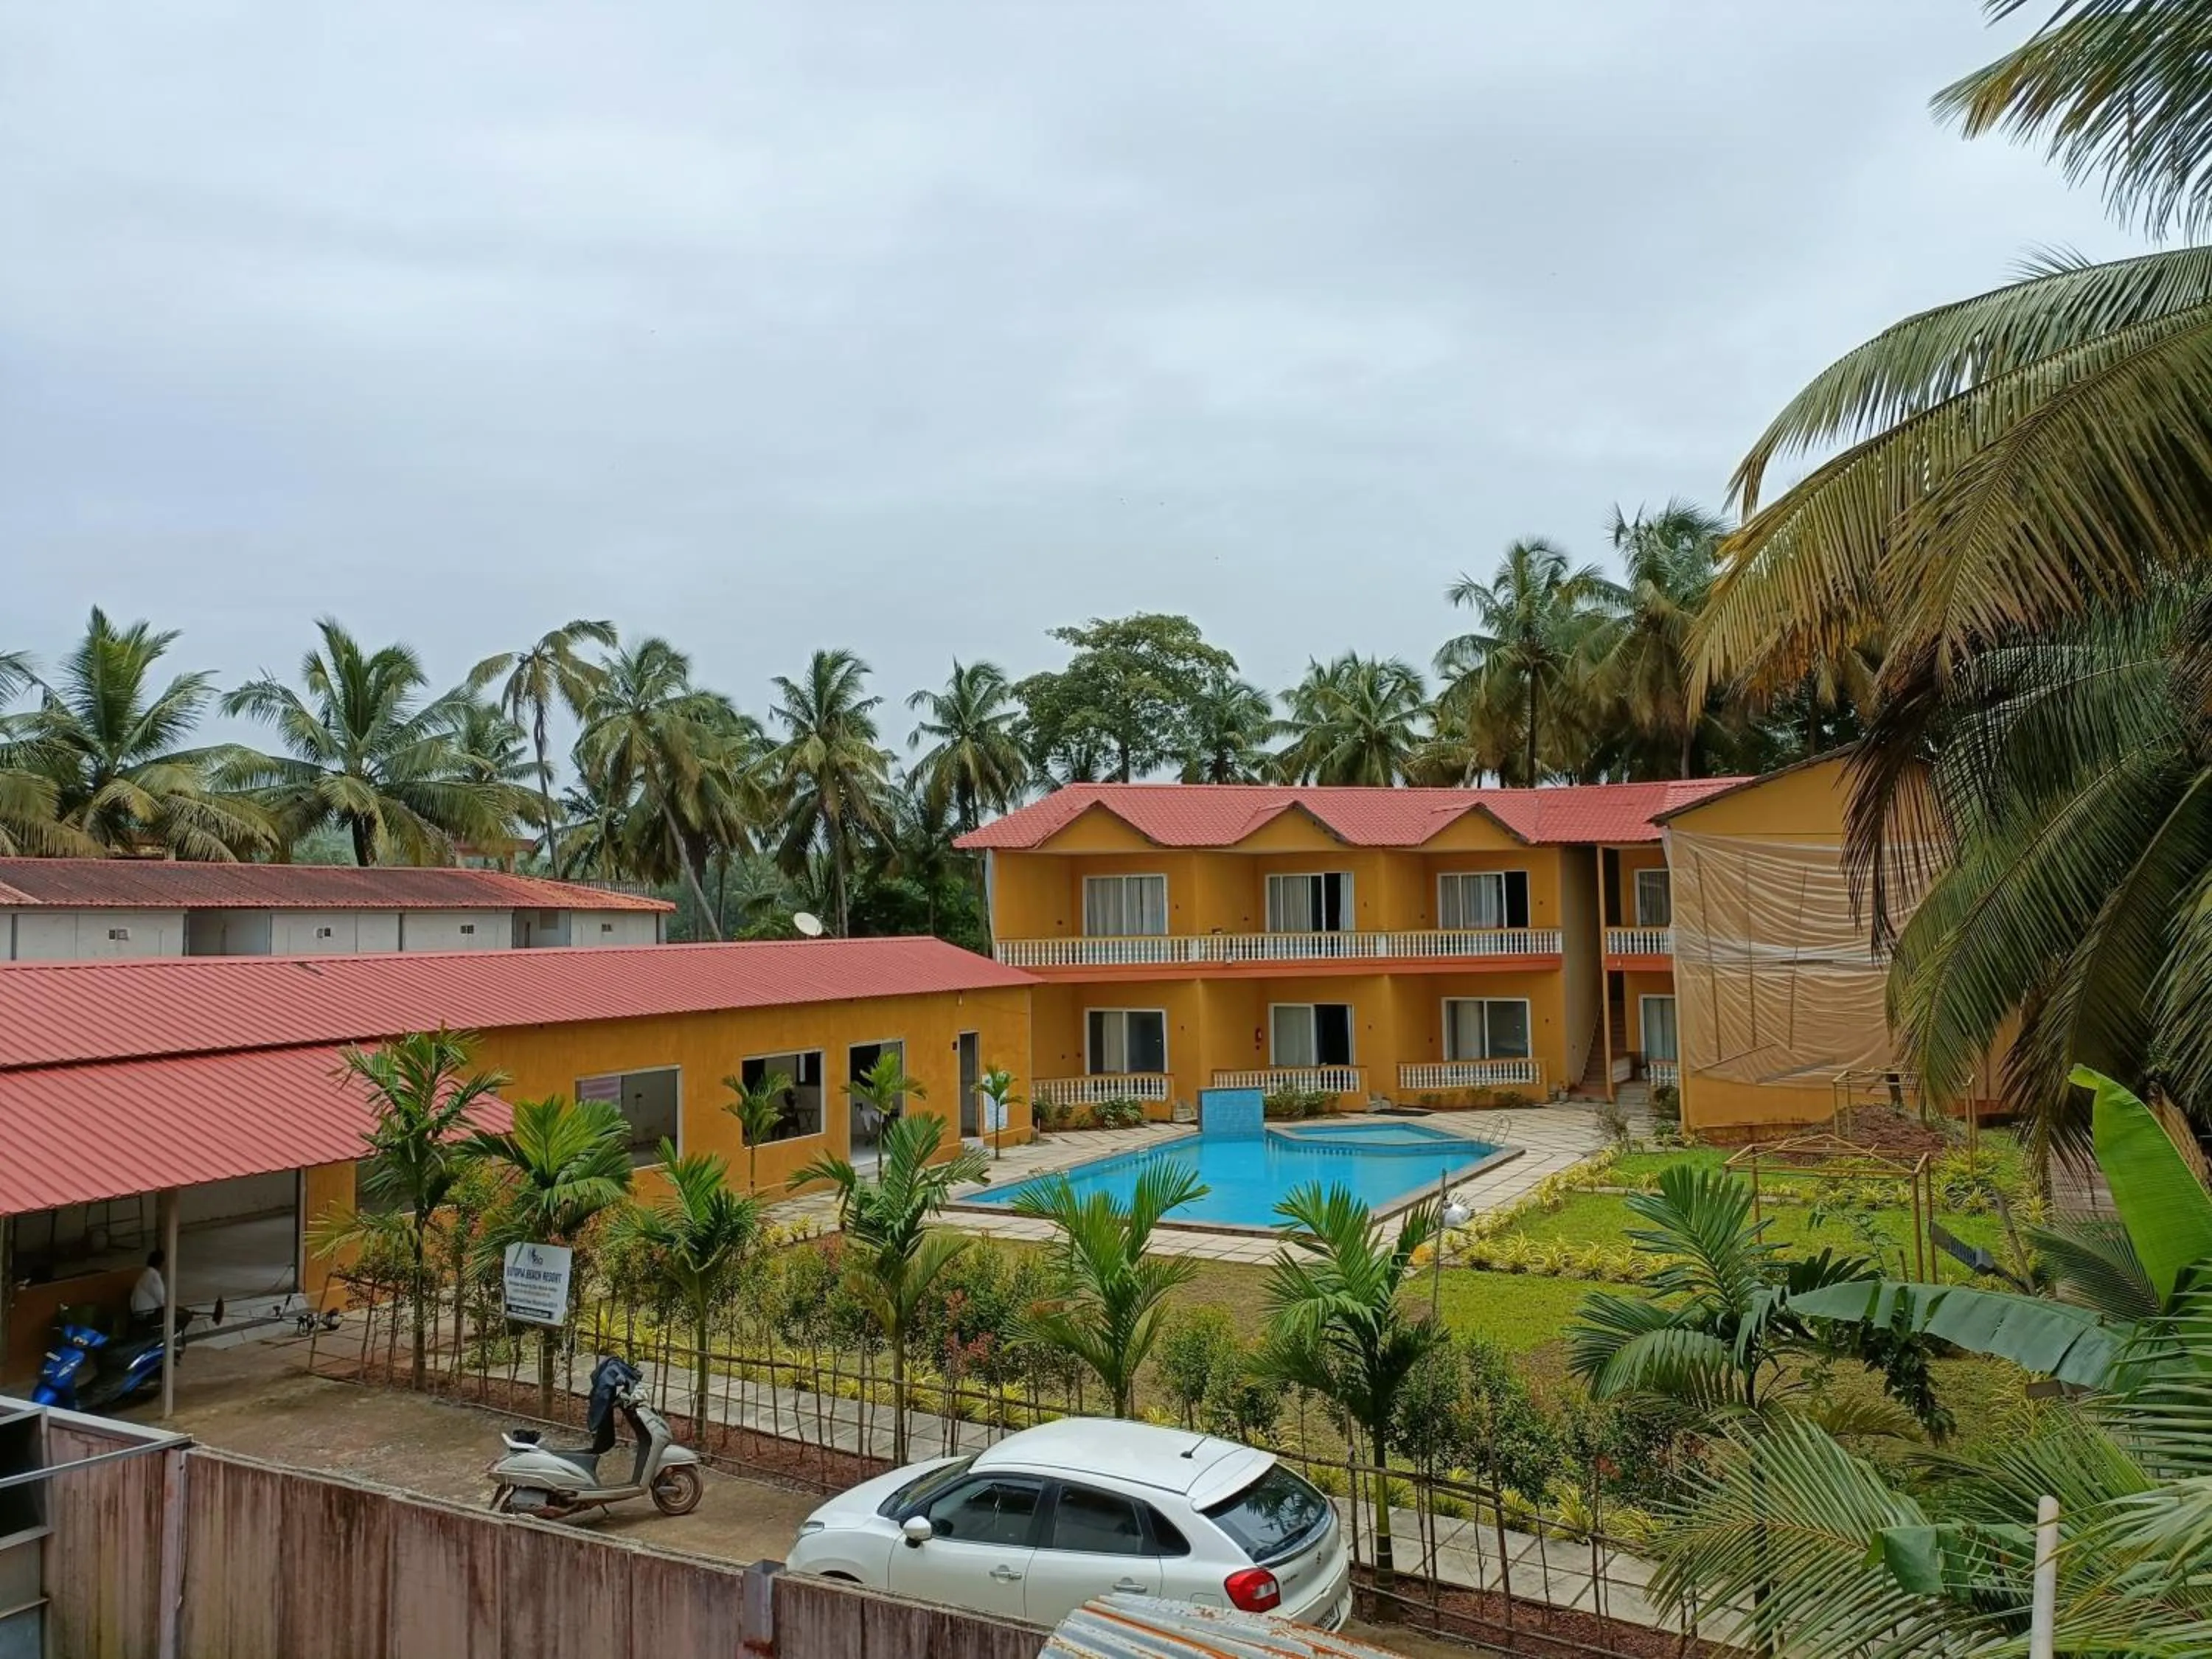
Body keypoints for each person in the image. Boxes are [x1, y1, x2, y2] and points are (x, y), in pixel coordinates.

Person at [129, 1248, 167, 1333]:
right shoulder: (153, 1276)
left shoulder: (146, 1274)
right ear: (161, 1263)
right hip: (147, 1314)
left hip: (139, 1312)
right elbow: (160, 1299)